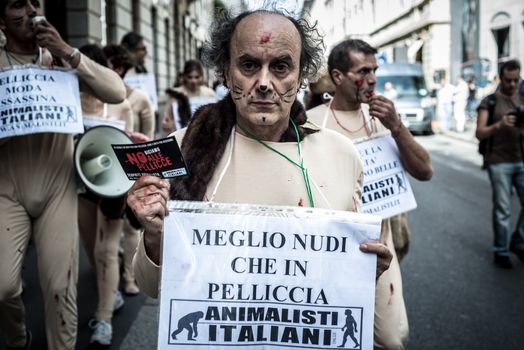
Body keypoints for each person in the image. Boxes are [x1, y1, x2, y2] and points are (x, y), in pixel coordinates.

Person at [127, 8, 393, 344]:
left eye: (281, 67)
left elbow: (340, 286)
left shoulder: (342, 154)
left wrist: (365, 269)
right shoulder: (183, 148)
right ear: (226, 71)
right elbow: (152, 286)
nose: (265, 83)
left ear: (300, 76)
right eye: (249, 65)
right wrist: (153, 235)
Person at [0, 2, 126, 349]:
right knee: (4, 287)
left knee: (60, 287)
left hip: (57, 186)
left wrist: (68, 52)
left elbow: (115, 91)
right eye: (16, 5)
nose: (29, 11)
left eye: (33, 4)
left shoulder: (59, 59)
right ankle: (16, 336)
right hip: (7, 189)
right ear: (1, 20)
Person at [307, 38, 433, 349]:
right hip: (329, 244)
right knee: (328, 330)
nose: (374, 79)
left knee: (391, 339)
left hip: (379, 242)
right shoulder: (312, 122)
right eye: (364, 71)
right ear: (338, 77)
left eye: (375, 70)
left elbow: (425, 170)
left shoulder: (384, 119)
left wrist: (396, 127)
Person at [77, 44, 133, 347]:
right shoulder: (69, 101)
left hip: (113, 188)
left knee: (107, 251)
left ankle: (104, 320)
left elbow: (129, 149)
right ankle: (111, 293)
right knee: (91, 250)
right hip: (81, 187)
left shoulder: (122, 105)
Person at [103, 44, 154, 296]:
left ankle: (131, 278)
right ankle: (112, 279)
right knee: (109, 234)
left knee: (132, 227)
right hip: (106, 173)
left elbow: (150, 136)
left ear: (119, 69)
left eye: (105, 64)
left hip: (132, 169)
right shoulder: (94, 98)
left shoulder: (140, 98)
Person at [475, 59, 524, 269]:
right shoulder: (489, 101)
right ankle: (501, 250)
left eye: (516, 80)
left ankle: (518, 240)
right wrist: (499, 124)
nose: (512, 85)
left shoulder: (522, 98)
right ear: (500, 78)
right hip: (498, 162)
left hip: (521, 159)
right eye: (508, 80)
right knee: (503, 209)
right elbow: (479, 133)